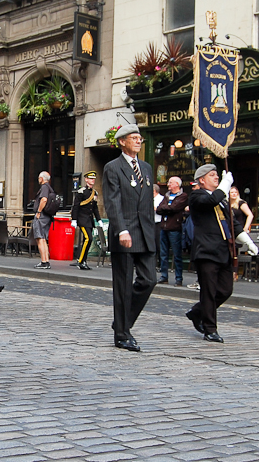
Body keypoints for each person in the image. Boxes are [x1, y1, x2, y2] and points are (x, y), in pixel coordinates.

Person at [186, 165, 258, 343]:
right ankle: (210, 329)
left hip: (223, 250)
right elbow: (210, 202)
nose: (216, 178)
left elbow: (233, 223)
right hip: (206, 251)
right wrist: (225, 184)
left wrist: (248, 241)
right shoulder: (197, 196)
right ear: (202, 180)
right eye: (212, 175)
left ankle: (197, 312)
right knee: (209, 292)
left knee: (225, 290)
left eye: (218, 176)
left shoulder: (222, 200)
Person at [102, 124, 156, 352]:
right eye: (133, 138)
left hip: (145, 233)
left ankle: (122, 322)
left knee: (149, 280)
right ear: (122, 141)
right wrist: (120, 229)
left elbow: (147, 203)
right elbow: (112, 201)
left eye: (139, 138)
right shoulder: (113, 168)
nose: (138, 141)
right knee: (123, 286)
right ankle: (122, 335)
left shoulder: (145, 168)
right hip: (125, 233)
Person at [156, 176, 189, 287]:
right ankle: (164, 276)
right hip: (164, 228)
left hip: (175, 228)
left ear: (177, 184)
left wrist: (167, 207)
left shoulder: (183, 196)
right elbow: (159, 209)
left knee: (177, 254)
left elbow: (174, 208)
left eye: (170, 183)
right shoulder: (166, 195)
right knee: (163, 254)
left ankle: (179, 278)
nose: (168, 185)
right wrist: (167, 207)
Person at [70, 171, 103, 270]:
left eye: (94, 179)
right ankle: (81, 261)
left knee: (86, 240)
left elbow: (95, 208)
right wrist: (74, 219)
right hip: (82, 219)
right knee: (89, 238)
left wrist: (99, 220)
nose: (92, 180)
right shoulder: (81, 192)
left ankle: (82, 260)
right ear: (86, 179)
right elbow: (75, 206)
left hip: (89, 220)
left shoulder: (94, 193)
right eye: (91, 178)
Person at [32, 171, 53, 269]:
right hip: (47, 216)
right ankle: (46, 261)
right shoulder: (49, 187)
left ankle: (44, 261)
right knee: (43, 239)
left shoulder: (44, 187)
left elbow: (43, 199)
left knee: (40, 238)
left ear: (42, 179)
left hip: (42, 216)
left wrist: (39, 212)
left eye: (39, 178)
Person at [153, 184, 163, 270]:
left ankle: (160, 264)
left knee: (158, 244)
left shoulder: (161, 199)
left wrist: (155, 208)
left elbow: (162, 209)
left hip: (158, 222)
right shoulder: (149, 199)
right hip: (150, 223)